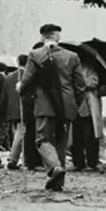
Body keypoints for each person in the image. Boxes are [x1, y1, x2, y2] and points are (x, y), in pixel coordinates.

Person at [20, 23, 85, 192]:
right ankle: (58, 183)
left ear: (42, 37)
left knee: (42, 139)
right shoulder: (72, 56)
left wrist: (20, 87)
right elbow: (80, 86)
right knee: (60, 143)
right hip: (67, 104)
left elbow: (27, 80)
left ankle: (54, 168)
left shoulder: (35, 54)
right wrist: (74, 104)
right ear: (57, 37)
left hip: (45, 104)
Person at [71, 55, 106, 172]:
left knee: (90, 136)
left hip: (88, 107)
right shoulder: (70, 67)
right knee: (76, 137)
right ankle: (78, 163)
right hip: (75, 107)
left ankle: (92, 162)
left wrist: (79, 83)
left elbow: (93, 82)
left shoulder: (89, 67)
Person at [4, 60, 24, 170]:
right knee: (20, 134)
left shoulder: (9, 77)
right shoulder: (27, 75)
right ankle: (13, 158)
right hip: (23, 110)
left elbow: (5, 95)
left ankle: (14, 157)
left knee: (16, 132)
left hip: (11, 110)